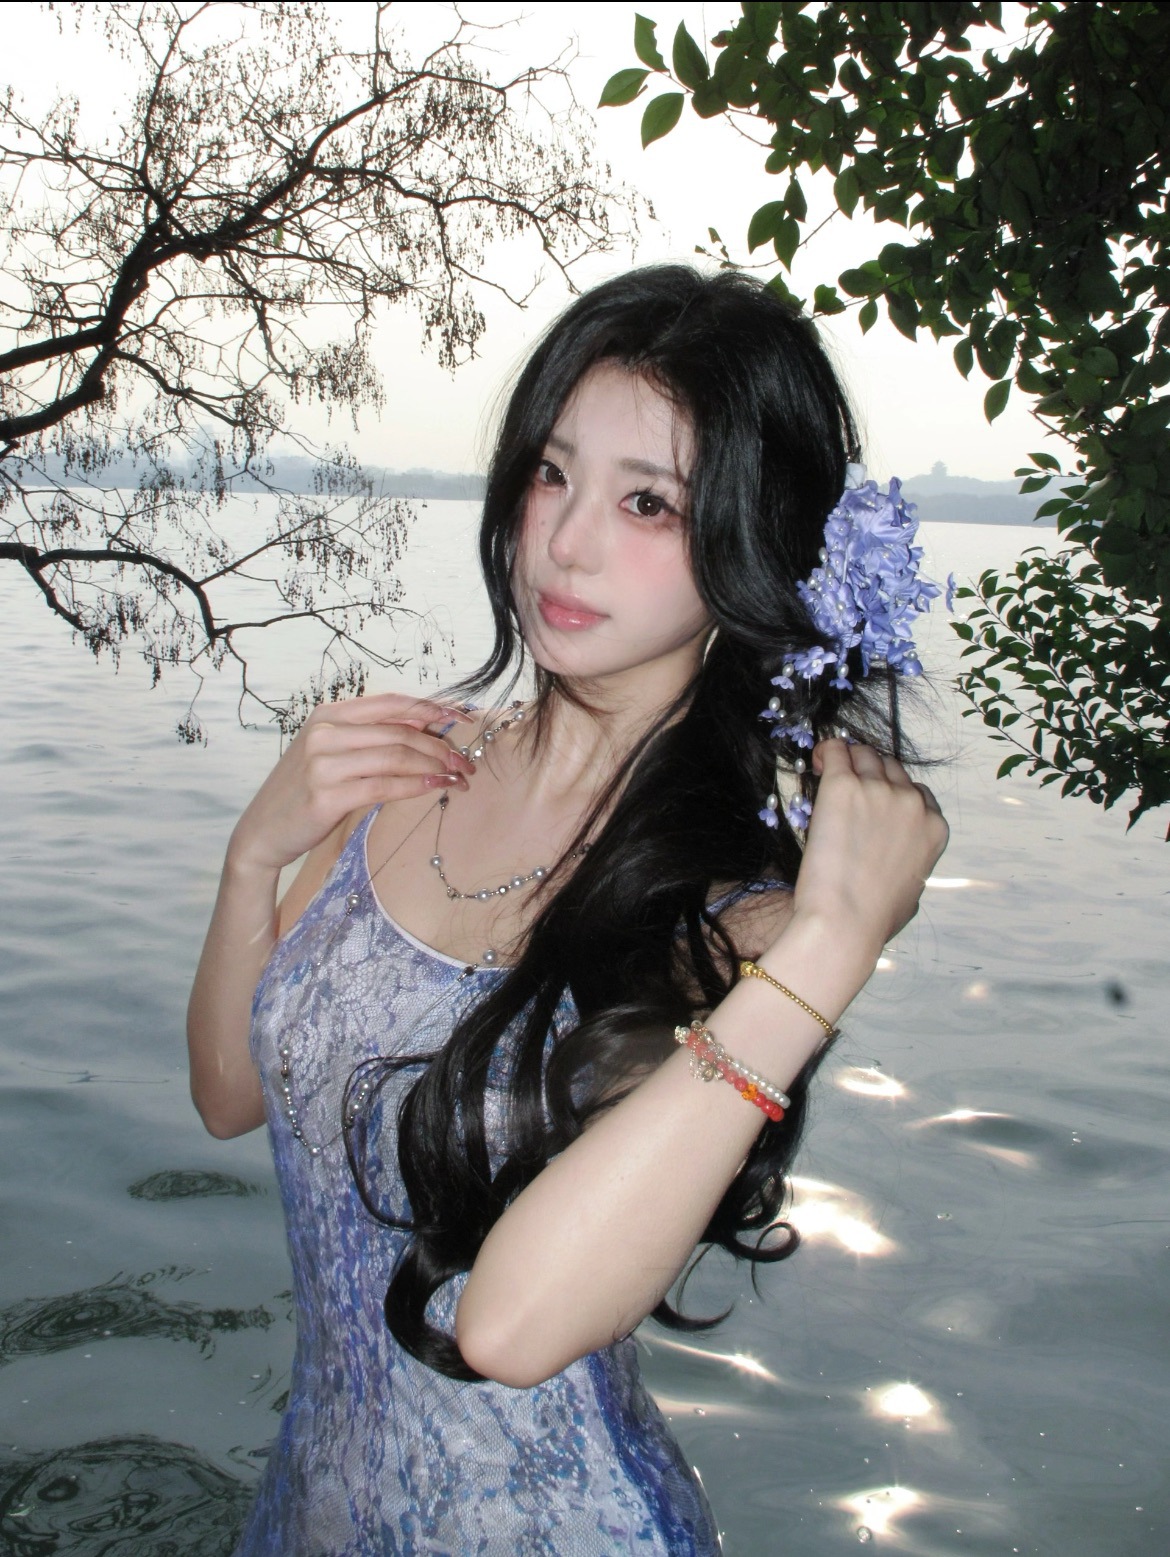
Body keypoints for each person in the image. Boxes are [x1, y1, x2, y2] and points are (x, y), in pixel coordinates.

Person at [187, 265, 949, 1555]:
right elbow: (227, 1095)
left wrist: (831, 949)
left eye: (648, 501)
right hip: (306, 1508)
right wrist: (252, 859)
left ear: (751, 543)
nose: (567, 541)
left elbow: (509, 1328)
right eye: (553, 473)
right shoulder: (407, 766)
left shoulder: (743, 929)